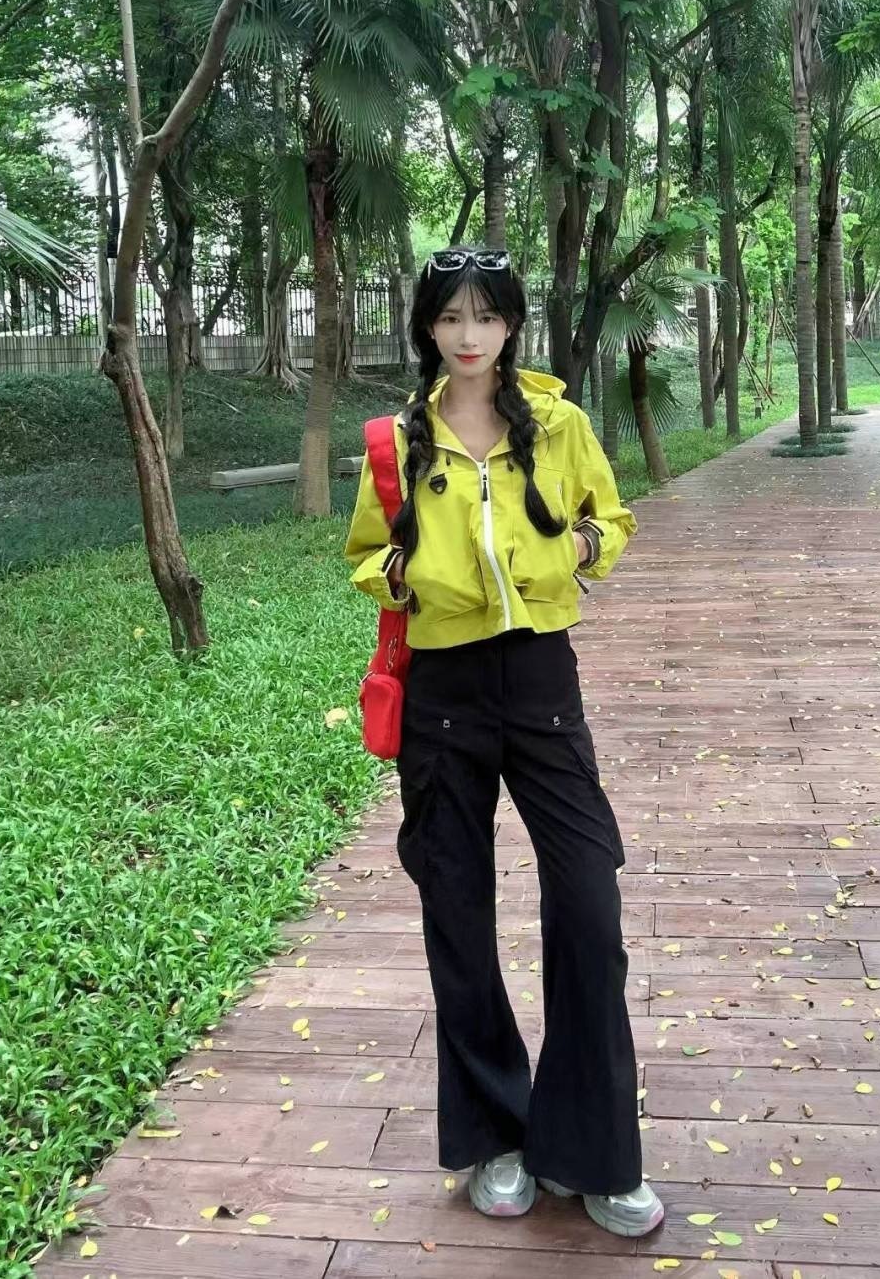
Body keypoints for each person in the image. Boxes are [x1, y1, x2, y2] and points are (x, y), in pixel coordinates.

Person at [344, 245, 665, 1238]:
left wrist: (577, 548)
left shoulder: (559, 424)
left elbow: (612, 519)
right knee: (457, 912)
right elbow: (367, 554)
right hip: (442, 691)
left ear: (513, 324)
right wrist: (408, 575)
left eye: (485, 315)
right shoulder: (400, 439)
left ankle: (594, 1149)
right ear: (428, 327)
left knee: (588, 901)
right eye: (450, 317)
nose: (469, 335)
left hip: (540, 683)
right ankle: (496, 1134)